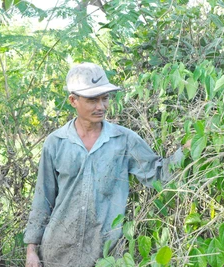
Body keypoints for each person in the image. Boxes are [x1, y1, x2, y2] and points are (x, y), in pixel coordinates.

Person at [24, 62, 188, 267]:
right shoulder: (56, 142)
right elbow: (43, 199)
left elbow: (158, 175)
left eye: (105, 98)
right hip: (57, 254)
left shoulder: (124, 140)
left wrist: (188, 150)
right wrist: (32, 249)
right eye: (93, 100)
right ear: (73, 100)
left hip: (105, 256)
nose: (101, 106)